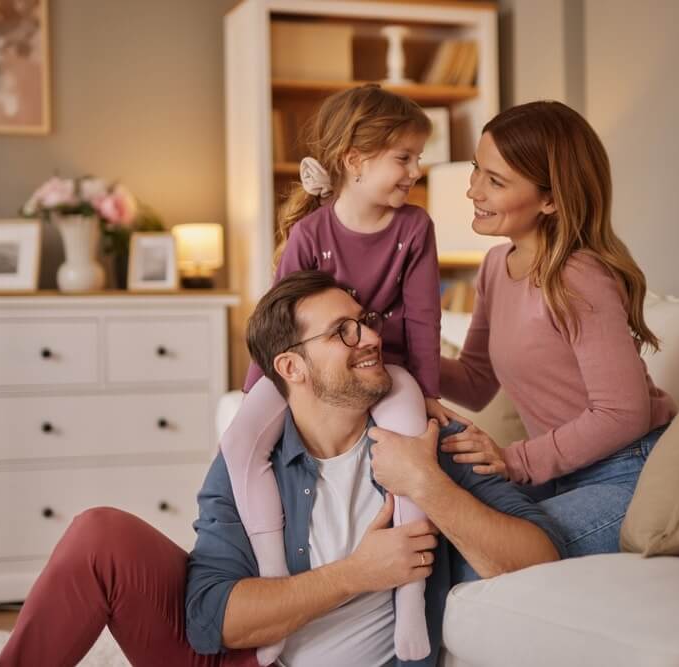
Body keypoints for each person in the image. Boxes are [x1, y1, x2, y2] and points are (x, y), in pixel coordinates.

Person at [0, 270, 564, 667]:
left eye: (363, 321)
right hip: (251, 663)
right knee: (100, 533)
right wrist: (358, 573)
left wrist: (424, 484)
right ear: (291, 366)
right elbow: (208, 619)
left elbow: (541, 561)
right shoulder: (248, 463)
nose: (370, 337)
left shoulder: (432, 441)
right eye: (342, 332)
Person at [221, 84, 453, 662]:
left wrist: (426, 395)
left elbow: (424, 320)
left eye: (417, 158)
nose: (414, 171)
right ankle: (274, 578)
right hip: (315, 368)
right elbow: (274, 321)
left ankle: (409, 599)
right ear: (355, 161)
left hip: (387, 371)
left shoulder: (415, 229)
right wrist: (262, 398)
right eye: (404, 157)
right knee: (240, 436)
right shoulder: (310, 234)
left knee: (411, 449)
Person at [426, 101, 679, 557]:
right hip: (563, 473)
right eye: (476, 170)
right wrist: (399, 353)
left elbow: (624, 413)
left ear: (551, 199)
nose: (473, 192)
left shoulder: (578, 276)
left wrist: (514, 460)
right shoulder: (495, 266)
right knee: (438, 539)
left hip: (629, 475)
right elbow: (477, 382)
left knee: (477, 556)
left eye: (495, 181)